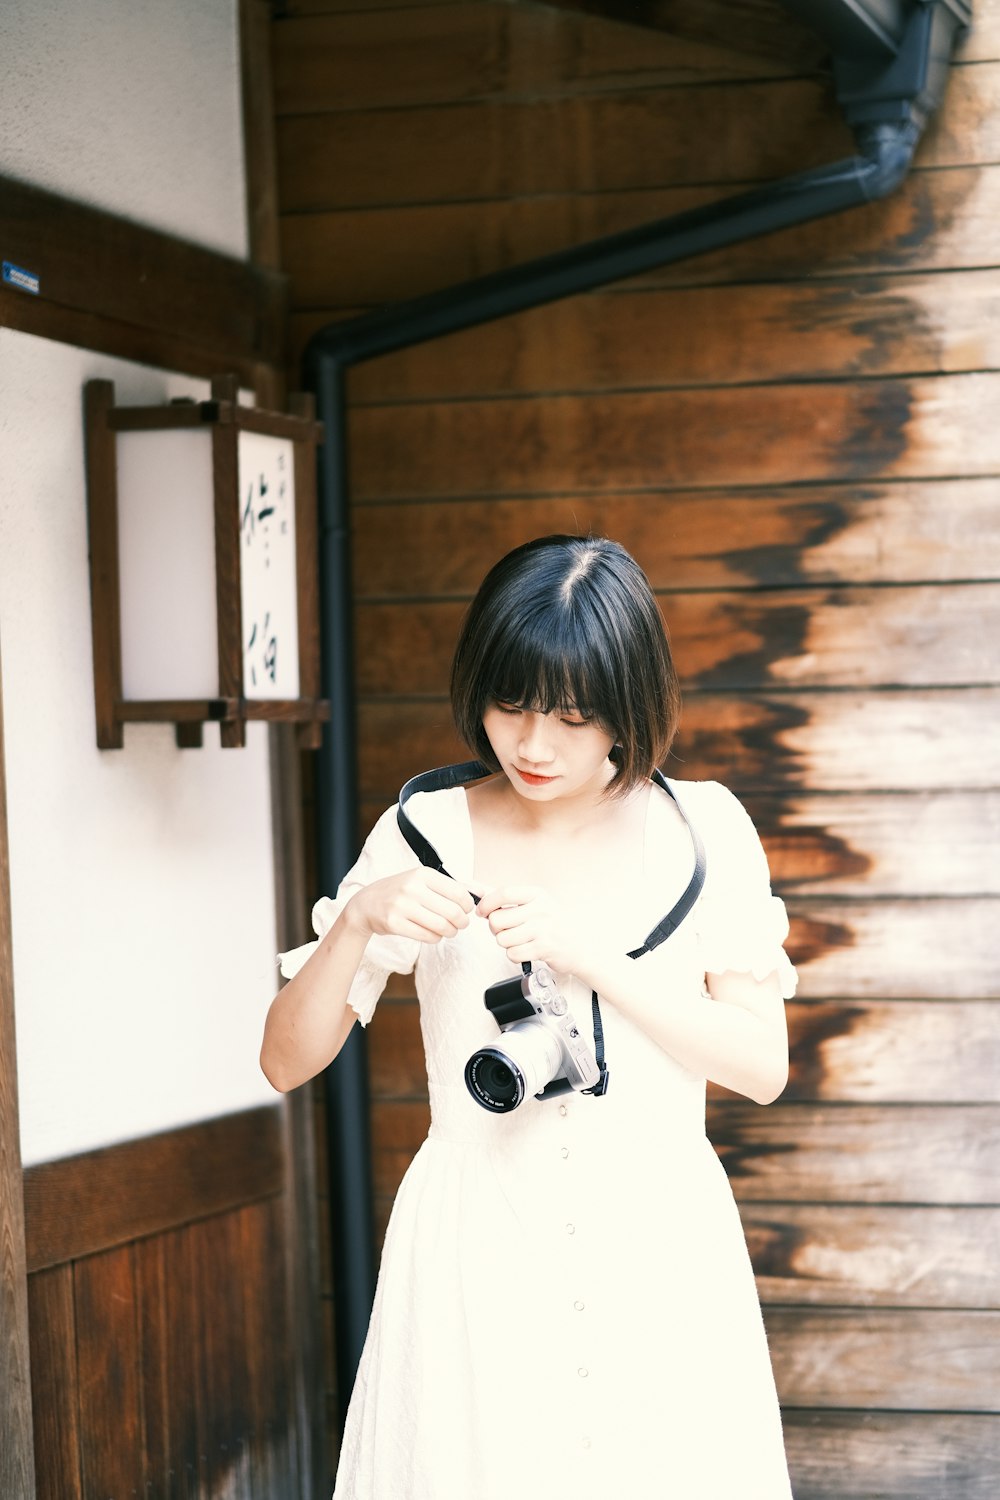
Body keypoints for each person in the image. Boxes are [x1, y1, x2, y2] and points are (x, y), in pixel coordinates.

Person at [261, 535, 796, 1500]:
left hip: (659, 1244)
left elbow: (761, 1066)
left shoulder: (704, 830)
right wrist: (355, 925)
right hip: (476, 1244)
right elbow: (285, 1062)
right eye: (511, 705)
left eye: (573, 715)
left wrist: (592, 956)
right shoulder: (425, 830)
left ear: (628, 706)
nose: (533, 745)